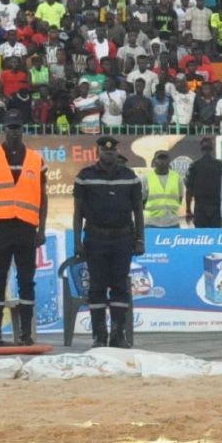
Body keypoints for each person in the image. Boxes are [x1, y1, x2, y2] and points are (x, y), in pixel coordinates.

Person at [72, 137, 144, 349]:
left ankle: (118, 334)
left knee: (120, 286)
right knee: (97, 287)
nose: (109, 154)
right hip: (95, 238)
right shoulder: (85, 177)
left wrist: (140, 239)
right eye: (105, 151)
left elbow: (138, 211)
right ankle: (99, 335)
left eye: (112, 151)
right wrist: (77, 242)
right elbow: (78, 213)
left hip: (123, 239)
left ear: (117, 153)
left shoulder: (130, 177)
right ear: (98, 152)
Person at [0, 109, 47, 345]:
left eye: (17, 127)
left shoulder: (36, 159)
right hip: (0, 228)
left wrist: (42, 229)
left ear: (23, 130)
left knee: (27, 281)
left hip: (27, 228)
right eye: (10, 127)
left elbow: (43, 197)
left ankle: (25, 335)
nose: (14, 131)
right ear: (3, 129)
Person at [183, 136, 222, 228]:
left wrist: (188, 210)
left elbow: (189, 190)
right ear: (213, 148)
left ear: (201, 148)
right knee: (216, 237)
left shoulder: (194, 166)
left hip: (200, 207)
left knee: (201, 237)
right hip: (217, 207)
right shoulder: (220, 165)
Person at [143, 149, 185, 229]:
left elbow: (179, 198)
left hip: (173, 223)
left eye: (165, 158)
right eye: (159, 158)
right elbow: (142, 201)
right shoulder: (146, 178)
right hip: (152, 223)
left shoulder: (177, 178)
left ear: (169, 161)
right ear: (154, 161)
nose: (162, 161)